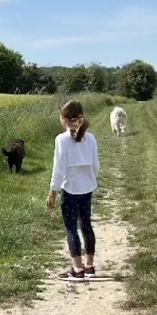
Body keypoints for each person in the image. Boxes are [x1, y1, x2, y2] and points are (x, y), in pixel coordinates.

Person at [47, 100, 100, 281]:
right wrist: (90, 179)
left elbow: (59, 169)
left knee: (71, 228)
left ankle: (77, 270)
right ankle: (90, 266)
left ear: (64, 118)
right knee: (86, 225)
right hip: (87, 188)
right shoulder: (91, 138)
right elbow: (96, 166)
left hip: (70, 189)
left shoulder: (61, 140)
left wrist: (53, 191)